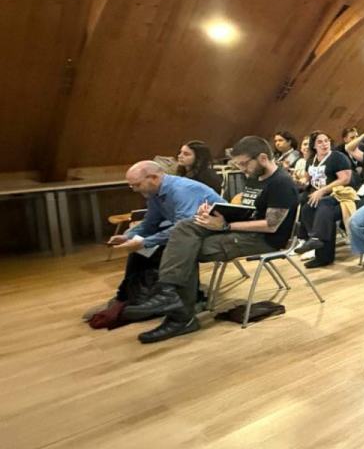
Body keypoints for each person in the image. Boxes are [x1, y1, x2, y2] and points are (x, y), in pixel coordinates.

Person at [124, 136, 299, 343]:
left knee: (187, 249)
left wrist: (225, 225)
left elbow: (271, 225)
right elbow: (250, 212)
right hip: (241, 229)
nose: (242, 169)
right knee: (186, 226)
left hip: (264, 239)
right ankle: (168, 291)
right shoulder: (255, 176)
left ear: (262, 158)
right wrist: (215, 214)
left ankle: (180, 316)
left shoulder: (281, 183)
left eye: (244, 164)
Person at [100, 161, 223, 318]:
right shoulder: (154, 193)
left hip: (212, 231)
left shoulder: (181, 190)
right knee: (140, 246)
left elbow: (184, 228)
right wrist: (127, 236)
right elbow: (150, 223)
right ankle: (130, 295)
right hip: (188, 230)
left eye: (136, 185)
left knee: (156, 248)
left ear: (153, 178)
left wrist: (145, 242)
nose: (134, 189)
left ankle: (185, 298)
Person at [295, 131, 353, 267]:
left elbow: (345, 179)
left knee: (323, 207)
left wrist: (323, 190)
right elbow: (307, 177)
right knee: (306, 209)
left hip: (338, 194)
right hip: (318, 195)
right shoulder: (312, 160)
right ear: (314, 146)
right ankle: (319, 248)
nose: (324, 144)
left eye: (326, 141)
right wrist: (302, 181)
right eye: (320, 142)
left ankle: (316, 240)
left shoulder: (338, 157)